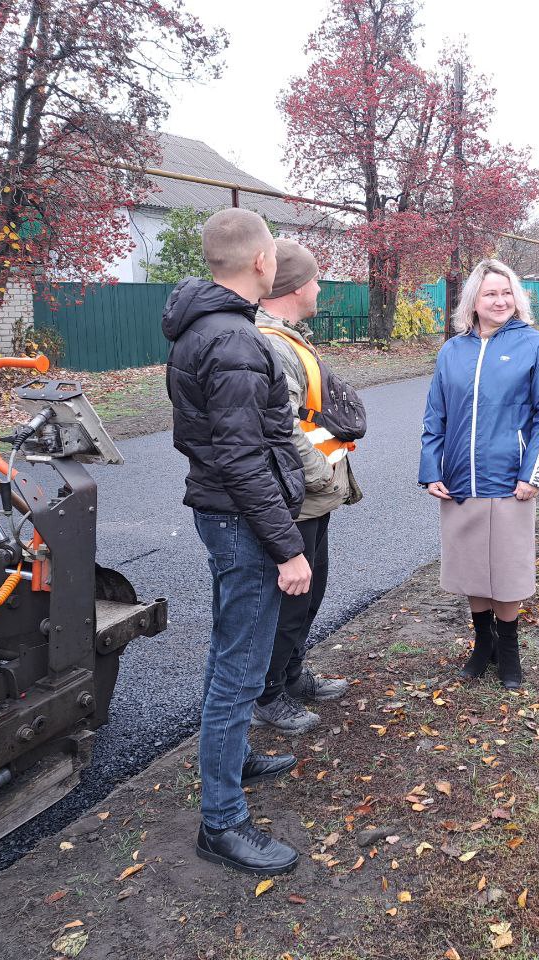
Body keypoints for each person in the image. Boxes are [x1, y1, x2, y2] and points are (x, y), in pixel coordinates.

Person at [162, 208, 312, 877]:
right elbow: (243, 460)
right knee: (238, 670)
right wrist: (288, 548)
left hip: (227, 515)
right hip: (242, 522)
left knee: (232, 654)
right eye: (275, 255)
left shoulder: (214, 330)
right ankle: (221, 822)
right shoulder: (233, 342)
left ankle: (233, 760)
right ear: (261, 263)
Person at [419, 259, 539, 690]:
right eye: (490, 294)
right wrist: (431, 469)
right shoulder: (452, 351)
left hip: (511, 479)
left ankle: (510, 649)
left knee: (508, 570)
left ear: (516, 298)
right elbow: (435, 415)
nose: (500, 301)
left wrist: (533, 472)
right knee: (472, 569)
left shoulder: (535, 345)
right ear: (473, 302)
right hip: (460, 481)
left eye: (506, 293)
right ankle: (484, 645)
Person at [252, 239, 362, 735]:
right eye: (315, 280)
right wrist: (321, 476)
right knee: (291, 602)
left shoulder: (287, 335)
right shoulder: (273, 343)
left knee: (310, 595)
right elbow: (284, 428)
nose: (319, 287)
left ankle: (292, 677)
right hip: (298, 498)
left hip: (310, 498)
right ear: (296, 287)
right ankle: (269, 695)